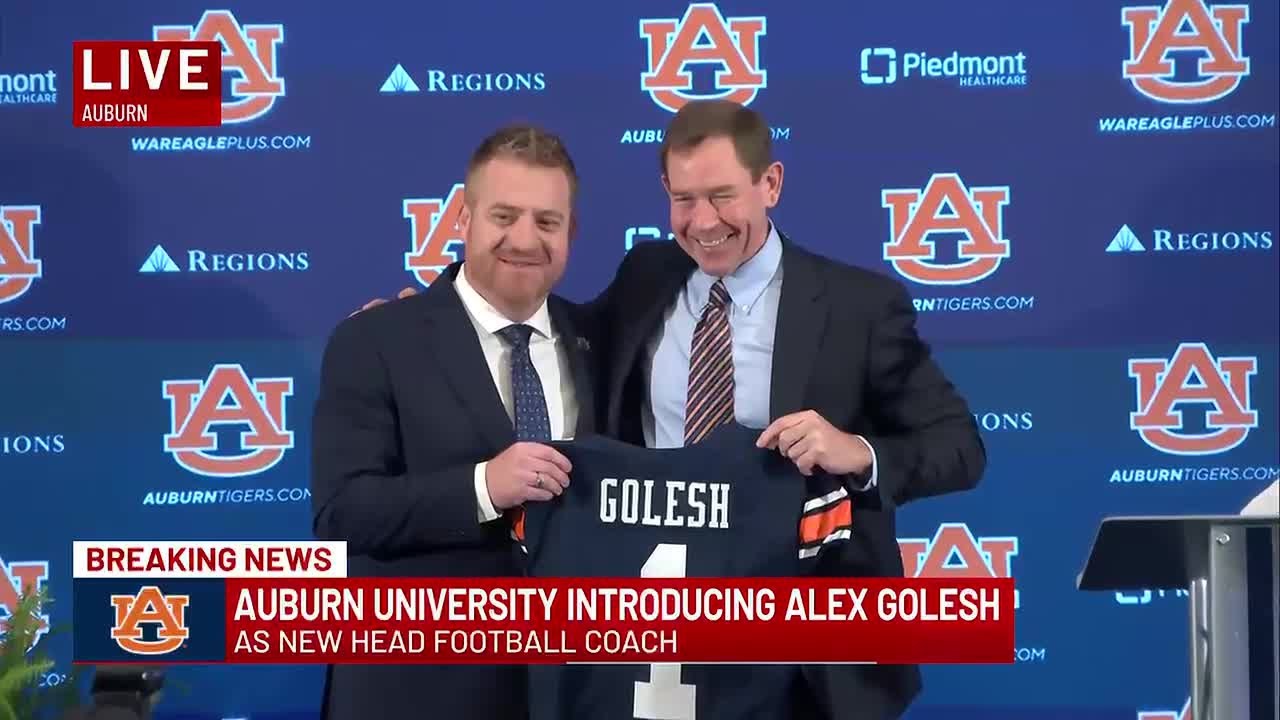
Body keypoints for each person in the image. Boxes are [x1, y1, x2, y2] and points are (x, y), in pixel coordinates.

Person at [357, 100, 986, 718]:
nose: (703, 221)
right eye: (683, 199)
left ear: (771, 183)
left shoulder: (860, 306)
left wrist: (859, 452)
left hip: (807, 652)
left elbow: (960, 448)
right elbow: (562, 328)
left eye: (722, 196)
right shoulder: (648, 273)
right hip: (651, 648)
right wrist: (432, 316)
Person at [310, 124, 597, 720]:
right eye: (503, 216)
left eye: (547, 221)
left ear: (570, 233)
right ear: (462, 221)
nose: (524, 239)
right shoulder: (377, 339)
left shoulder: (605, 341)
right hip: (413, 694)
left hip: (568, 694)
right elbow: (343, 513)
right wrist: (483, 488)